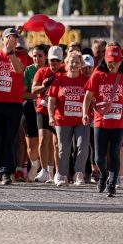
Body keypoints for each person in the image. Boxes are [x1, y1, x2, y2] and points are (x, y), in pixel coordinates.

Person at [0, 29, 26, 185]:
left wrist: (11, 54)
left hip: (13, 103)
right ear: (3, 39)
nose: (13, 41)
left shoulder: (20, 55)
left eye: (15, 38)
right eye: (10, 38)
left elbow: (19, 70)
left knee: (8, 139)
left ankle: (6, 172)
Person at [83, 45, 123, 197]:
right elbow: (87, 96)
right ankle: (104, 174)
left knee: (114, 152)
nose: (112, 64)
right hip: (100, 120)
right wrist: (84, 114)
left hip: (118, 121)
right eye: (109, 61)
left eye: (115, 61)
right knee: (98, 157)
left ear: (120, 61)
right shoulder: (98, 75)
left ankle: (112, 183)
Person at [48, 51, 90, 186]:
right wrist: (50, 116)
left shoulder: (86, 80)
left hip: (81, 120)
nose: (74, 65)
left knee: (82, 145)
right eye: (71, 62)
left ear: (81, 66)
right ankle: (62, 175)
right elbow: (51, 100)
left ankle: (79, 174)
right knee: (63, 148)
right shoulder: (59, 78)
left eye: (77, 62)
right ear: (66, 64)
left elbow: (91, 99)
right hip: (62, 119)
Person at [30, 46, 65, 183]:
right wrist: (45, 85)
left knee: (57, 143)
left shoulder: (65, 72)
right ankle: (44, 171)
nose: (54, 63)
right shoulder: (42, 71)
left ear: (61, 61)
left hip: (59, 112)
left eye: (57, 60)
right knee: (43, 139)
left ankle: (57, 173)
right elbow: (33, 90)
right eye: (51, 60)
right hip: (43, 109)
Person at [22, 44, 47, 182]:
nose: (37, 59)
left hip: (46, 109)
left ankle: (47, 170)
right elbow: (23, 93)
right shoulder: (28, 70)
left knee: (45, 141)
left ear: (46, 56)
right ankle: (35, 163)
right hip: (30, 108)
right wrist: (39, 94)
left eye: (40, 56)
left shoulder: (51, 70)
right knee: (31, 146)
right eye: (34, 56)